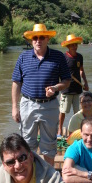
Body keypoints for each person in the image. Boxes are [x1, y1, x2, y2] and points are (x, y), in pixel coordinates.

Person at [12, 23, 71, 166]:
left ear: (47, 39)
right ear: (31, 40)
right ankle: (30, 173)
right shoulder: (23, 57)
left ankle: (49, 174)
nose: (38, 41)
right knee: (27, 142)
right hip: (28, 104)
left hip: (50, 105)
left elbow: (67, 80)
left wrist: (56, 88)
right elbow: (16, 83)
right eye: (35, 38)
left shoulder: (58, 57)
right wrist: (14, 107)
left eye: (42, 37)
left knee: (49, 145)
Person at [58, 34, 89, 137]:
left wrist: (85, 83)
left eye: (75, 45)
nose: (74, 47)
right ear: (68, 46)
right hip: (66, 89)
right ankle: (59, 130)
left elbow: (81, 71)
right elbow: (59, 72)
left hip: (77, 89)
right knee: (63, 111)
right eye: (72, 45)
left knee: (79, 112)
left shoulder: (79, 57)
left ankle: (80, 130)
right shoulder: (63, 57)